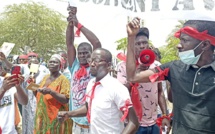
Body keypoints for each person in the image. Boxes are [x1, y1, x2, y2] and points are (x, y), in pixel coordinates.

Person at [126, 18, 215, 134]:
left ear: (204, 45)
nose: (179, 45)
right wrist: (131, 38)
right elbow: (132, 77)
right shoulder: (173, 68)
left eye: (184, 40)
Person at [58, 48, 139, 134]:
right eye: (91, 60)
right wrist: (69, 114)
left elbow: (133, 122)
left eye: (96, 60)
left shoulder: (116, 88)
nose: (92, 64)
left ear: (108, 65)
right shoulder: (91, 84)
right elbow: (88, 107)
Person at [117, 27, 169, 134]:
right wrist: (135, 76)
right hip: (134, 124)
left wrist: (164, 115)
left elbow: (160, 92)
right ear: (133, 46)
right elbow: (121, 94)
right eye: (138, 43)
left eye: (144, 43)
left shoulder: (156, 66)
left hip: (154, 121)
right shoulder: (122, 66)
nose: (142, 46)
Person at [67, 7, 101, 133]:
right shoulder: (74, 66)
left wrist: (78, 24)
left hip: (92, 123)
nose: (82, 56)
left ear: (92, 54)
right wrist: (70, 22)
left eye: (85, 53)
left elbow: (97, 43)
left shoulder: (95, 68)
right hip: (76, 123)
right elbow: (69, 44)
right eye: (80, 53)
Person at [34, 54, 72, 134]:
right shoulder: (45, 77)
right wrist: (33, 84)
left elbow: (66, 99)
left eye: (55, 62)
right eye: (50, 62)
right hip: (42, 116)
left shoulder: (63, 80)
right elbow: (38, 95)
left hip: (55, 117)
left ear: (60, 65)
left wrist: (51, 92)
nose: (52, 63)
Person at [22, 57, 49, 134]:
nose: (32, 65)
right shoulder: (25, 76)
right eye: (30, 64)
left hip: (39, 104)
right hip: (27, 105)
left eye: (35, 64)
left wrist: (34, 84)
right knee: (27, 125)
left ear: (39, 65)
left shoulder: (44, 76)